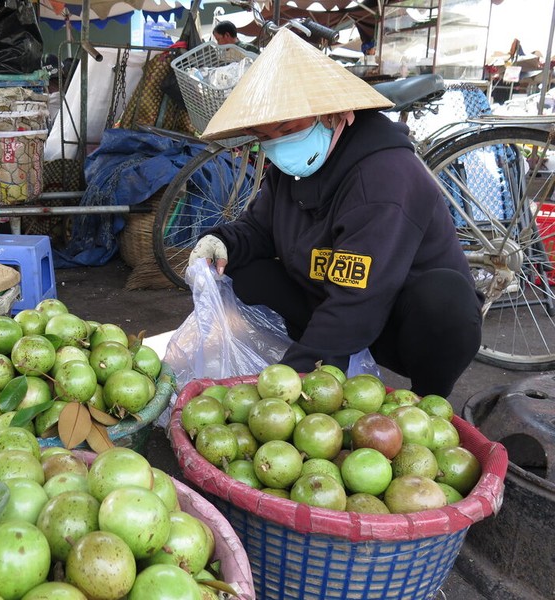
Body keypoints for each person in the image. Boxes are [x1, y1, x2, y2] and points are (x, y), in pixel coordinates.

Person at [188, 29, 483, 397]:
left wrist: (292, 384)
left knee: (443, 300)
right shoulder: (293, 168)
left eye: (288, 128)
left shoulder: (384, 178)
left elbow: (358, 297)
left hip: (401, 319)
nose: (277, 144)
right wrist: (222, 241)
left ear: (333, 115)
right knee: (241, 269)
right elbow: (259, 229)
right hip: (330, 295)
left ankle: (430, 401)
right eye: (264, 136)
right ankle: (325, 353)